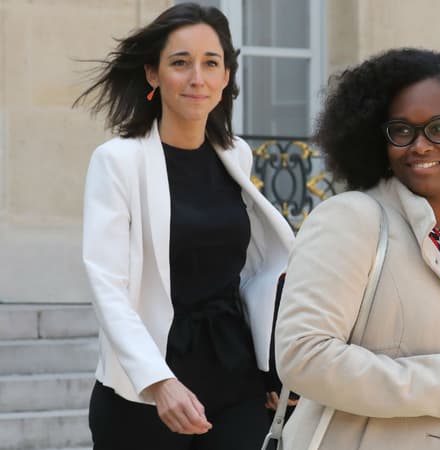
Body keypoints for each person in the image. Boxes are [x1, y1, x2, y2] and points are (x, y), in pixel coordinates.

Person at [274, 48, 440, 450]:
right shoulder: (350, 219)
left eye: (439, 129)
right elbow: (303, 355)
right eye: (401, 131)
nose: (419, 145)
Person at [74, 3, 294, 449]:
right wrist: (158, 382)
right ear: (153, 75)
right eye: (180, 63)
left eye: (211, 63)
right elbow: (108, 285)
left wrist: (272, 365)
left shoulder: (235, 154)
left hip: (234, 379)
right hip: (147, 390)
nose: (198, 78)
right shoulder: (119, 161)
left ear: (226, 76)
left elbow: (253, 272)